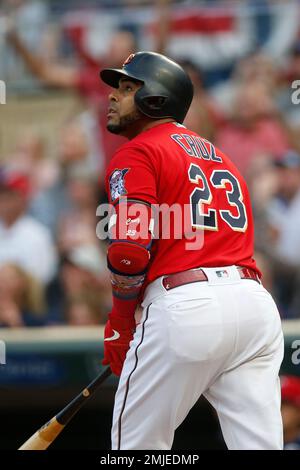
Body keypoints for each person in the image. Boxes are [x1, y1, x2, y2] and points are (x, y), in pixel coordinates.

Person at [99, 51, 284, 450]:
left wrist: (120, 319)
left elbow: (129, 250)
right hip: (255, 309)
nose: (113, 96)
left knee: (135, 451)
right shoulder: (224, 158)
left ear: (157, 99)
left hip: (187, 308)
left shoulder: (139, 151)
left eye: (129, 88)